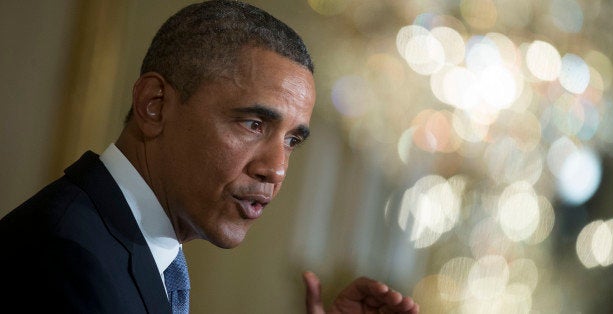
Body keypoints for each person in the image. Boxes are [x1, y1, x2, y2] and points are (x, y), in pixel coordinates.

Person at [0, 1, 419, 313]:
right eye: (254, 124)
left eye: (292, 140)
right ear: (154, 105)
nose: (275, 168)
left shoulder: (130, 244)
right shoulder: (64, 260)